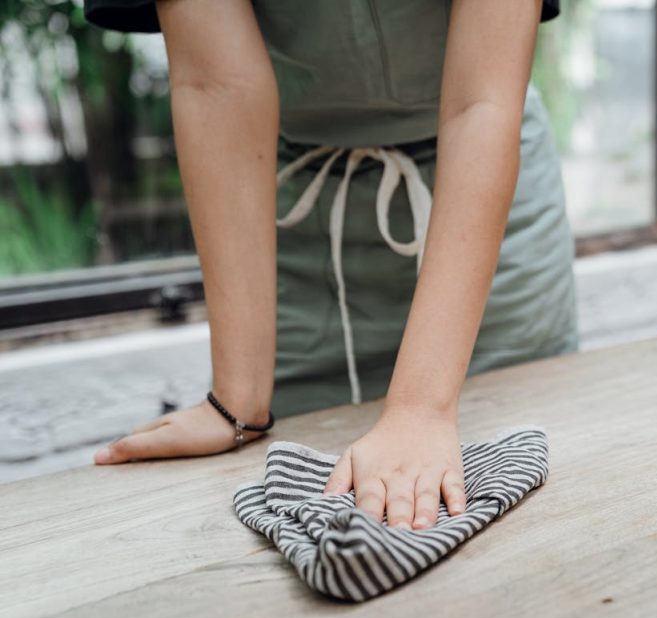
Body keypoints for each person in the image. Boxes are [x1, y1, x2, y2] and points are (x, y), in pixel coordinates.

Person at [82, 0, 580, 532]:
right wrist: (237, 402)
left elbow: (479, 104)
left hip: (483, 223)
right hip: (290, 227)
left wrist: (421, 409)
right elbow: (217, 87)